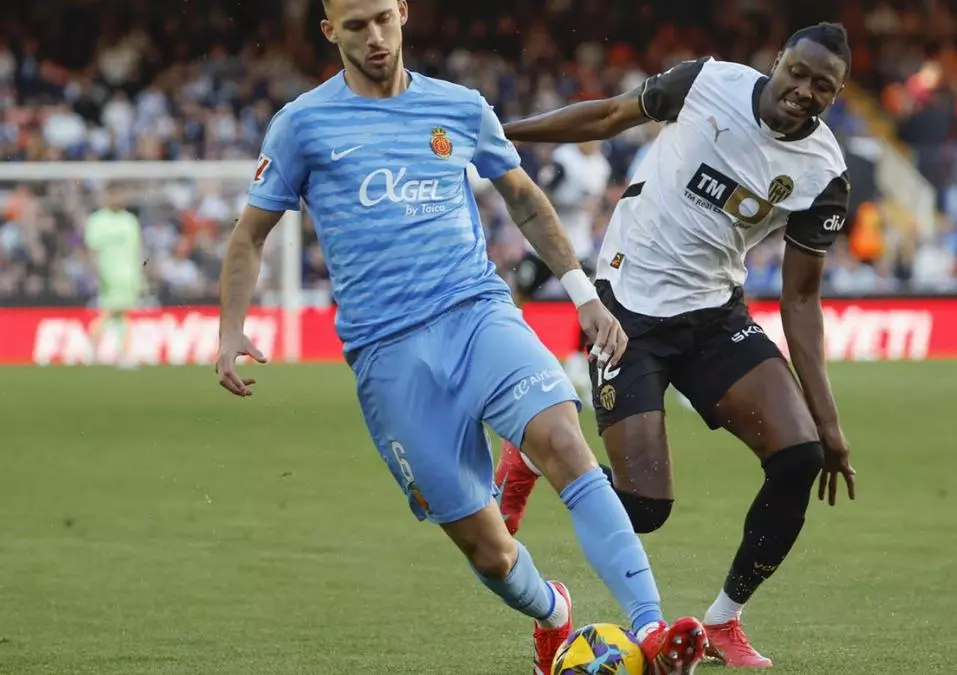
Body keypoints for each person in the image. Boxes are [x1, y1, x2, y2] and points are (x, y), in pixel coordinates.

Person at [212, 1, 707, 673]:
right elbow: (250, 235)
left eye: (383, 18)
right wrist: (231, 329)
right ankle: (553, 612)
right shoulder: (302, 124)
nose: (375, 37)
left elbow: (524, 197)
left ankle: (651, 629)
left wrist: (584, 295)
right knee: (490, 550)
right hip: (388, 355)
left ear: (403, 12)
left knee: (565, 443)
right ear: (329, 31)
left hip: (478, 313)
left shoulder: (460, 106)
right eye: (355, 25)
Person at [493, 22, 859, 668]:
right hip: (626, 308)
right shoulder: (707, 83)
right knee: (645, 507)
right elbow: (609, 116)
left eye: (823, 86)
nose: (805, 90)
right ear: (778, 60)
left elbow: (801, 300)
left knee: (800, 455)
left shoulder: (824, 172)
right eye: (798, 72)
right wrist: (502, 135)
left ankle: (722, 621)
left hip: (714, 315)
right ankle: (534, 452)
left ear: (836, 95)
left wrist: (829, 423)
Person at [512, 140, 613, 402]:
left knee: (589, 301)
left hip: (577, 248)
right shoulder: (564, 159)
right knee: (519, 297)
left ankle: (578, 363)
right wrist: (574, 203)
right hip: (544, 245)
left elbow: (596, 205)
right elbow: (542, 197)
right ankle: (511, 351)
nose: (595, 142)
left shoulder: (601, 166)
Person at [84, 183, 143, 368]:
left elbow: (136, 250)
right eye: (114, 195)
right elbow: (92, 250)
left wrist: (141, 275)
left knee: (122, 315)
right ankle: (93, 344)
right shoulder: (97, 220)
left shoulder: (130, 221)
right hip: (108, 275)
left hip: (129, 277)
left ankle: (119, 353)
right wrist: (96, 272)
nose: (118, 199)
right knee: (112, 312)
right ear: (106, 197)